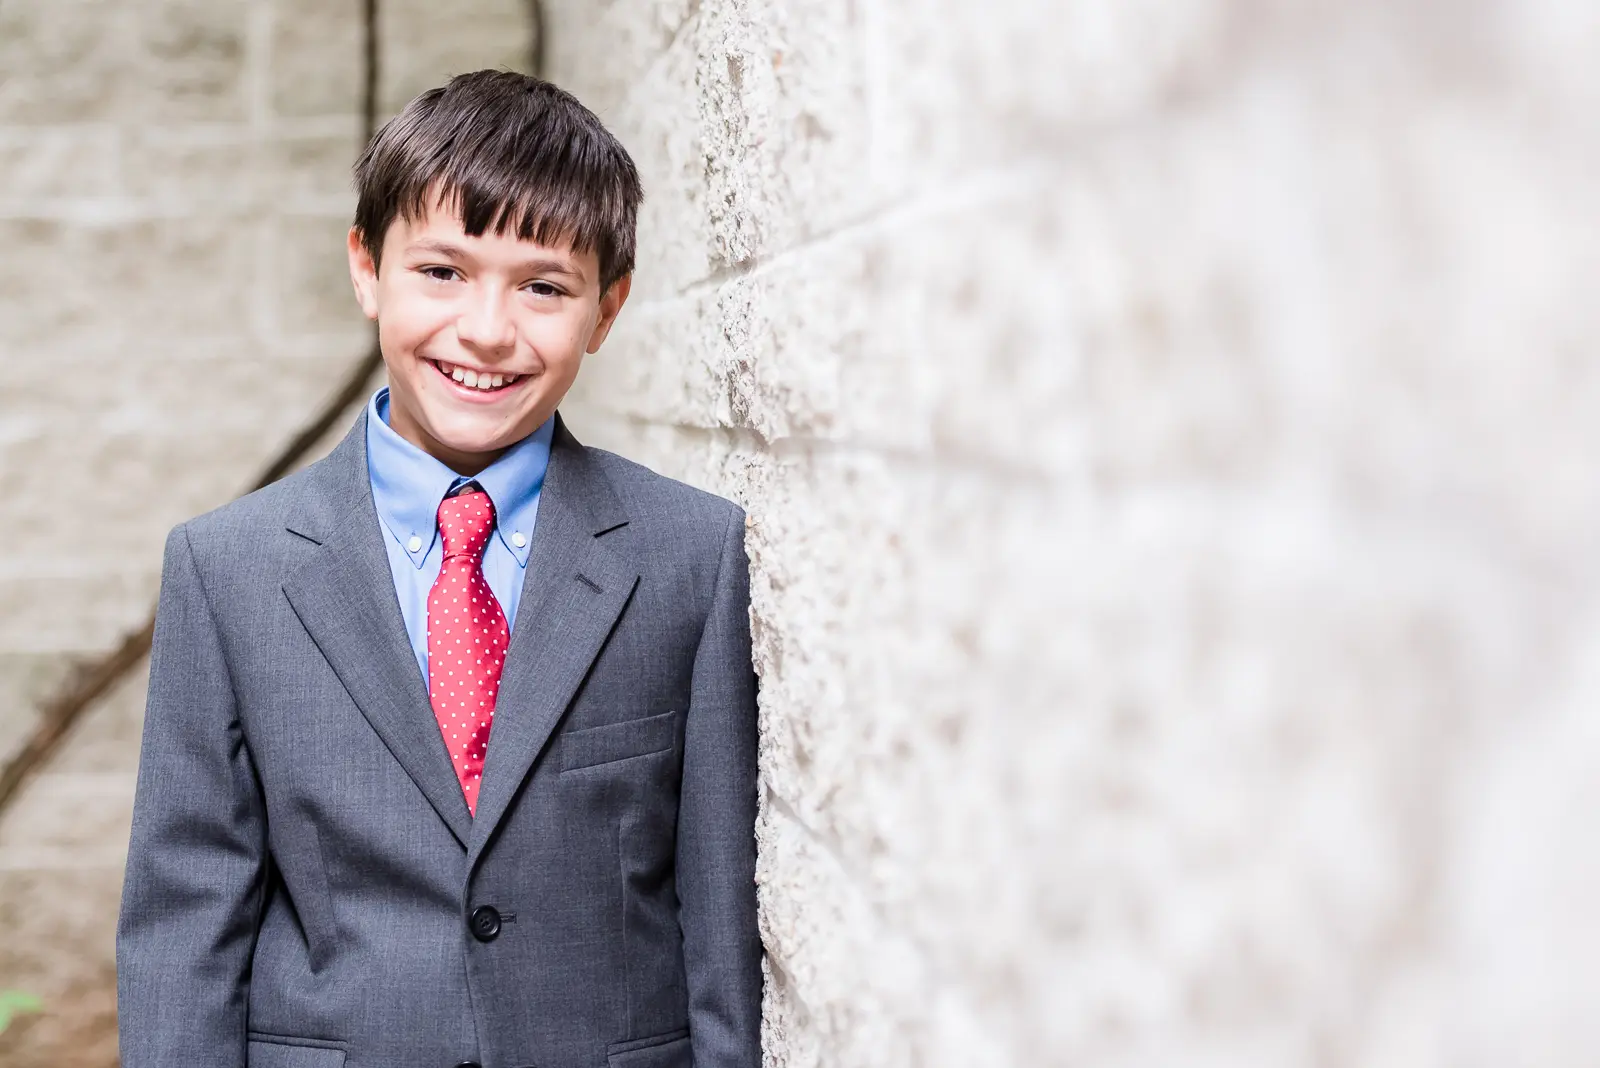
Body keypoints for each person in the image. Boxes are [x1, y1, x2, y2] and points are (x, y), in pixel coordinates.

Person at [116, 70, 761, 1068]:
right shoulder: (226, 569)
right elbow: (184, 929)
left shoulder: (689, 556)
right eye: (442, 273)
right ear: (366, 269)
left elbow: (717, 923)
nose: (488, 330)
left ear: (607, 308)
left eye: (543, 286)